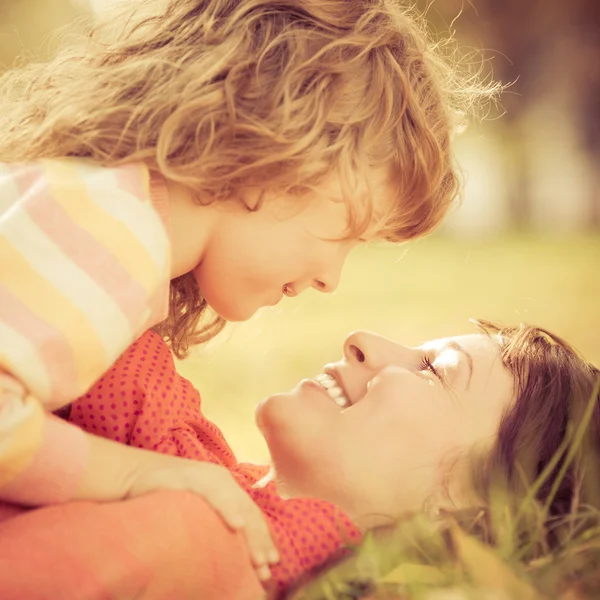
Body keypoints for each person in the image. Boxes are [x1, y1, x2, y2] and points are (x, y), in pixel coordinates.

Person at [0, 0, 498, 578]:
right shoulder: (110, 237)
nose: (329, 278)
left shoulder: (97, 208)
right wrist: (136, 474)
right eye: (348, 234)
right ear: (275, 149)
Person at [0, 319, 595, 599]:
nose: (363, 339)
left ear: (463, 520)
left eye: (435, 371)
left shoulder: (195, 535)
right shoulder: (188, 471)